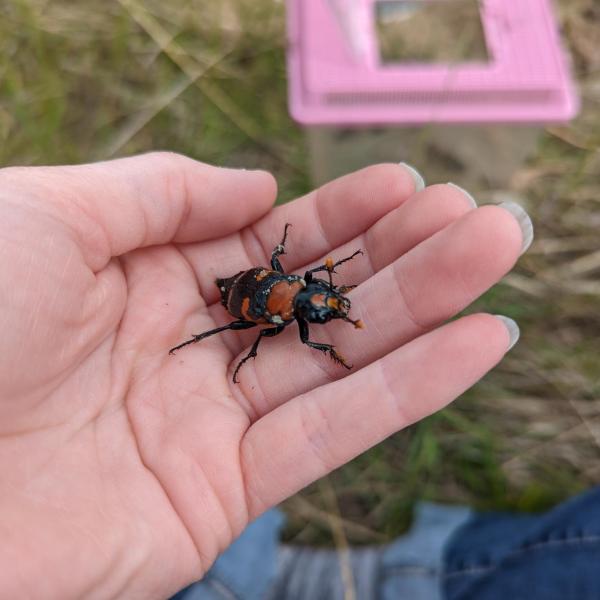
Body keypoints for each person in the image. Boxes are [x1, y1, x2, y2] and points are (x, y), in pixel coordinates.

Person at [0, 152, 531, 599]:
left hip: (258, 285)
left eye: (330, 306)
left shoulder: (303, 290)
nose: (329, 309)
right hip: (244, 293)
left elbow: (304, 284)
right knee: (251, 336)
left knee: (270, 321)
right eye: (328, 307)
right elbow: (267, 319)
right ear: (310, 307)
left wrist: (323, 290)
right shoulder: (288, 315)